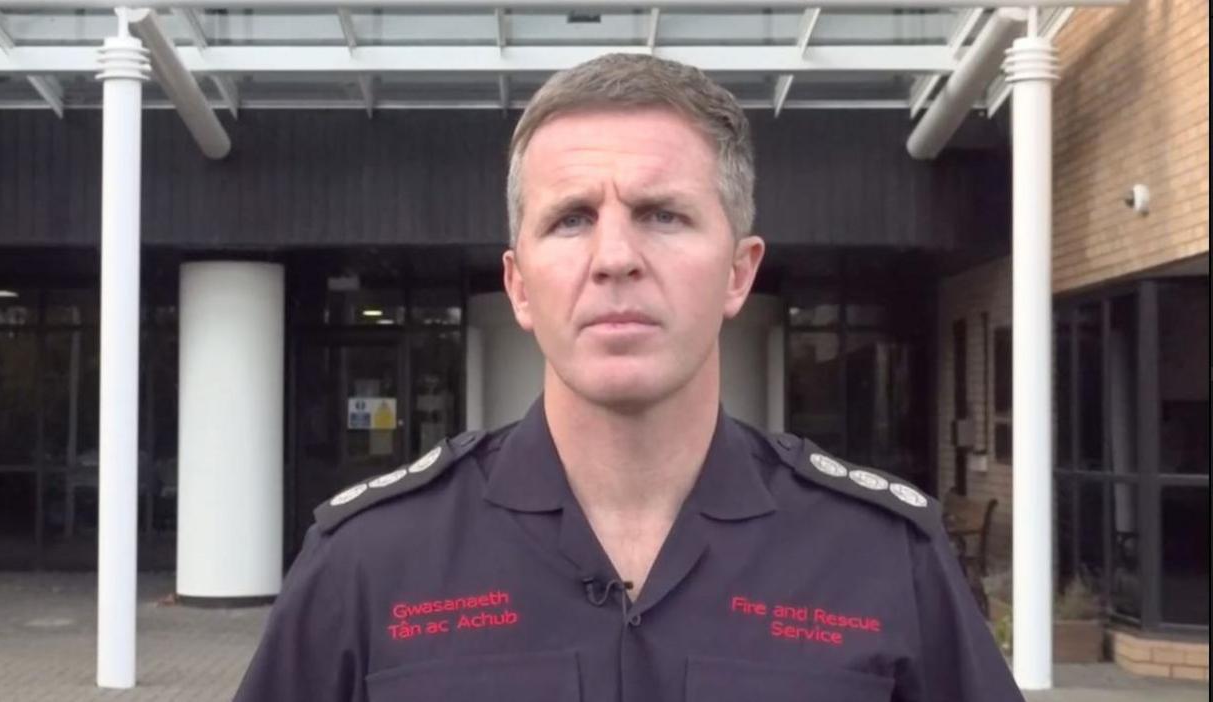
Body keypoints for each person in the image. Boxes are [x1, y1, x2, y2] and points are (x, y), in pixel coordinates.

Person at [234, 53, 1023, 702]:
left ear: (739, 274)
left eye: (663, 215)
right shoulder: (368, 562)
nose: (615, 257)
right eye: (571, 218)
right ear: (517, 285)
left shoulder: (883, 558)